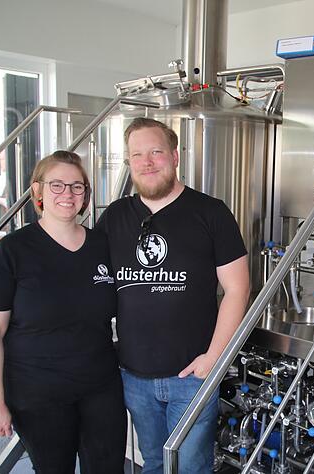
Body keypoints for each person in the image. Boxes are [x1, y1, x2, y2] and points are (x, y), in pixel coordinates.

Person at [97, 118, 250, 474]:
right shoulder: (115, 216)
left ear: (175, 156)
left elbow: (238, 289)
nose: (147, 162)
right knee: (153, 463)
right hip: (133, 374)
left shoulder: (211, 212)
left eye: (156, 152)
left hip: (192, 374)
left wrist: (213, 359)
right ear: (129, 162)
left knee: (191, 468)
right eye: (137, 155)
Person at [0, 151, 126, 473]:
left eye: (77, 186)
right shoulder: (12, 251)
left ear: (86, 194)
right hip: (36, 392)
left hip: (101, 386)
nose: (67, 194)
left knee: (108, 468)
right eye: (56, 185)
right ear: (38, 191)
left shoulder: (103, 245)